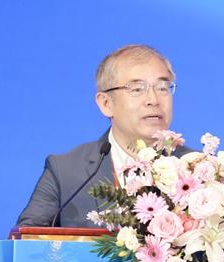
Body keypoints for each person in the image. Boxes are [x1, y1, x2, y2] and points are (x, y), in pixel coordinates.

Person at [17, 45, 192, 227]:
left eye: (162, 88)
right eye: (137, 89)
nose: (153, 100)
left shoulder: (198, 169)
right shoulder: (65, 172)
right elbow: (27, 239)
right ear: (106, 104)